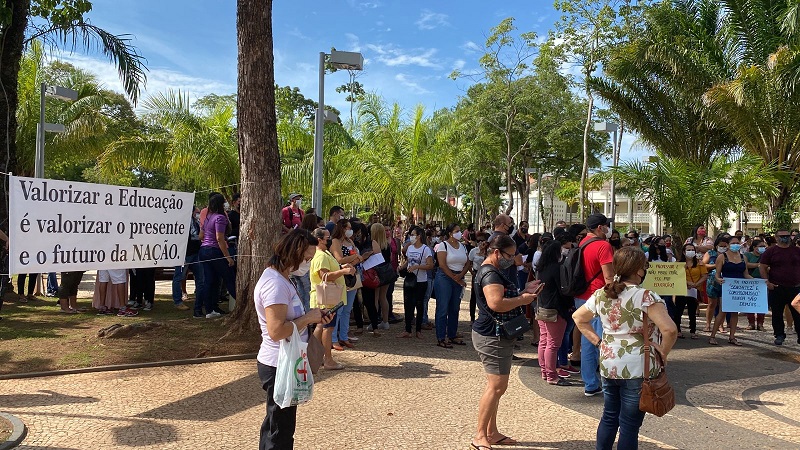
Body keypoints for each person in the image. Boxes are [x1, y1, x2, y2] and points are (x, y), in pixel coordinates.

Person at [573, 246, 677, 450]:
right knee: (629, 425)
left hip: (609, 362)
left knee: (609, 416)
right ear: (639, 270)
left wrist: (598, 342)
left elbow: (578, 318)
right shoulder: (646, 296)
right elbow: (670, 330)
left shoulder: (602, 294)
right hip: (638, 366)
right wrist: (663, 352)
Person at [254, 229, 332, 449]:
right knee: (279, 430)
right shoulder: (275, 284)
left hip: (286, 361)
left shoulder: (284, 279)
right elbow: (276, 330)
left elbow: (293, 323)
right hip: (278, 363)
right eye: (306, 258)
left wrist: (315, 321)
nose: (308, 263)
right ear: (294, 254)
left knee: (277, 425)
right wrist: (307, 317)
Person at [470, 234, 541, 449]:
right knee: (496, 386)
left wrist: (523, 292)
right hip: (492, 335)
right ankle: (480, 435)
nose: (513, 259)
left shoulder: (493, 270)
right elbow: (496, 304)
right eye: (510, 255)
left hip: (497, 333)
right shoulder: (490, 273)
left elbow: (500, 299)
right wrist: (522, 299)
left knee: (497, 386)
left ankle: (491, 432)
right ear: (496, 252)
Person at [574, 213, 616, 397]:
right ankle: (604, 381)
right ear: (600, 227)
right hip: (598, 297)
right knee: (600, 340)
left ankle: (590, 382)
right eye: (606, 225)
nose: (608, 229)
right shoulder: (603, 246)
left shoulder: (582, 243)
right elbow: (609, 277)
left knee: (587, 340)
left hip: (581, 295)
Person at [309, 227, 355, 369]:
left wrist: (341, 266)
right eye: (327, 238)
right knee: (327, 328)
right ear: (319, 240)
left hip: (328, 297)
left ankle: (316, 357)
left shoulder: (324, 253)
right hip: (326, 298)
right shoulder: (321, 255)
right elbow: (324, 276)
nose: (329, 240)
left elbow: (330, 270)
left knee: (323, 326)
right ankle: (328, 359)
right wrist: (343, 271)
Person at [536, 240, 575, 386]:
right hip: (555, 310)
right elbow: (563, 290)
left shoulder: (541, 268)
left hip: (542, 308)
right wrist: (569, 305)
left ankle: (545, 372)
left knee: (544, 341)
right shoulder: (557, 268)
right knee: (553, 344)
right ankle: (552, 374)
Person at [197, 193, 236, 319]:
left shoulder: (208, 217)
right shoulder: (220, 218)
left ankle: (209, 310)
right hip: (215, 251)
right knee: (229, 277)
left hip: (203, 250)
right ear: (220, 204)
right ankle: (240, 301)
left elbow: (200, 236)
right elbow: (220, 239)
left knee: (209, 281)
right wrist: (228, 257)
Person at [759, 228, 800, 345]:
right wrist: (767, 282)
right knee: (777, 314)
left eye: (787, 236)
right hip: (777, 287)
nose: (785, 238)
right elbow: (762, 267)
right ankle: (779, 335)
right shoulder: (770, 251)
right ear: (776, 238)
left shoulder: (797, 251)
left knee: (798, 313)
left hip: (795, 287)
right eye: (782, 236)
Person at [709, 236, 751, 346]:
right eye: (733, 243)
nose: (736, 245)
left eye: (738, 243)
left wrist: (758, 282)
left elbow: (746, 274)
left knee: (734, 313)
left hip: (739, 288)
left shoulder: (743, 258)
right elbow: (717, 275)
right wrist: (719, 280)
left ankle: (732, 337)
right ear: (727, 245)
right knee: (722, 312)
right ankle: (713, 336)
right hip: (727, 288)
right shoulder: (722, 257)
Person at [434, 223, 470, 348]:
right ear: (450, 233)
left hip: (458, 277)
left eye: (460, 231)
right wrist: (455, 278)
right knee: (443, 308)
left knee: (455, 308)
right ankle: (441, 337)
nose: (459, 233)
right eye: (457, 231)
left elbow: (467, 263)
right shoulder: (443, 246)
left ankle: (452, 334)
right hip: (445, 277)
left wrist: (460, 276)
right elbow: (442, 265)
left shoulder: (463, 246)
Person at [331, 218, 366, 348]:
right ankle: (333, 338)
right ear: (342, 228)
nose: (350, 231)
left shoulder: (350, 241)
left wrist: (356, 258)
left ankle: (344, 336)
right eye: (348, 228)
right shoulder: (335, 242)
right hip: (341, 278)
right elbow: (339, 259)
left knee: (347, 309)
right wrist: (355, 257)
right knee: (338, 309)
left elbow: (359, 257)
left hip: (352, 276)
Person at [400, 226, 434, 338]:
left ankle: (418, 330)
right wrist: (402, 267)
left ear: (419, 236)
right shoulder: (410, 248)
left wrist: (417, 267)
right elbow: (408, 261)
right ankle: (407, 329)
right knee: (407, 304)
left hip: (421, 281)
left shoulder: (425, 249)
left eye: (413, 234)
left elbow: (430, 265)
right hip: (410, 280)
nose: (411, 237)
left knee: (419, 305)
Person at [173, 206, 204, 311]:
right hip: (184, 254)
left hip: (195, 253)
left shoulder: (195, 221)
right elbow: (193, 236)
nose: (198, 213)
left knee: (200, 278)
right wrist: (200, 236)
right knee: (179, 277)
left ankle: (200, 300)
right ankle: (178, 301)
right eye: (196, 211)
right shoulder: (184, 222)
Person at [673, 243, 706, 339]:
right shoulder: (679, 263)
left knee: (692, 312)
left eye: (692, 250)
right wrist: (687, 283)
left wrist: (696, 284)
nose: (691, 252)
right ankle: (678, 330)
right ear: (684, 252)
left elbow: (704, 276)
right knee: (678, 311)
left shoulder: (699, 263)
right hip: (682, 289)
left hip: (694, 290)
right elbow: (676, 275)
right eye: (688, 250)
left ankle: (693, 331)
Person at [743, 239, 767, 330]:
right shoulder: (747, 255)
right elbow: (746, 264)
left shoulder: (766, 255)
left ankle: (760, 323)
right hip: (750, 281)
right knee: (750, 302)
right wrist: (758, 265)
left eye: (763, 246)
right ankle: (751, 323)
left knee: (762, 302)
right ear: (754, 247)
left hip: (762, 281)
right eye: (760, 246)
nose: (762, 248)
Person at [468, 233, 489, 323]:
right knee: (474, 295)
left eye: (482, 240)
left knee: (485, 295)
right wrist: (472, 273)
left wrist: (484, 252)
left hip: (486, 274)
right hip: (476, 273)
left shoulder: (488, 251)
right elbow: (468, 263)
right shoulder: (473, 251)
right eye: (478, 241)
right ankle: (472, 317)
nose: (480, 243)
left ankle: (484, 316)